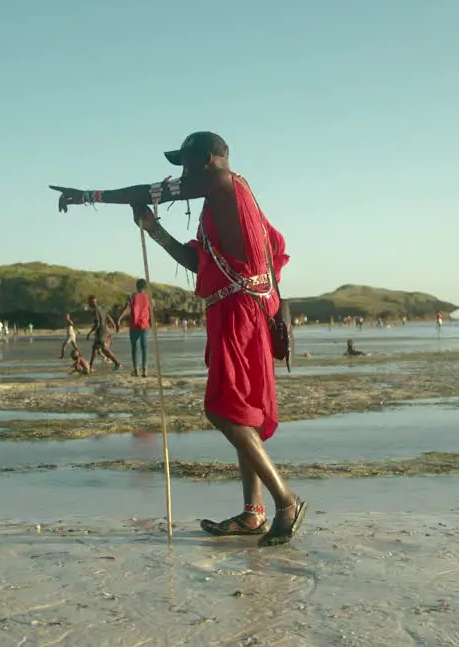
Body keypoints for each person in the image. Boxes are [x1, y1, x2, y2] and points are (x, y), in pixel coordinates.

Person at [51, 130, 306, 547]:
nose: (182, 173)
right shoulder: (225, 201)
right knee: (240, 411)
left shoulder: (222, 182)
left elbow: (149, 190)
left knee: (223, 411)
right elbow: (196, 261)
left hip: (240, 313)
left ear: (207, 159)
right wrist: (153, 229)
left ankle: (287, 501)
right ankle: (252, 513)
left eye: (185, 163)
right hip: (238, 311)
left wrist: (88, 196)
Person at [118, 279, 152, 377]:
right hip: (144, 325)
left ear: (137, 287)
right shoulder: (148, 297)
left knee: (134, 348)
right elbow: (152, 309)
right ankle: (144, 370)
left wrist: (120, 318)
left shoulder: (131, 296)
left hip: (134, 325)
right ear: (145, 287)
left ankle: (136, 370)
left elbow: (127, 309)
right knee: (144, 347)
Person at [85, 296, 122, 370]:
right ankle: (90, 366)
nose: (88, 303)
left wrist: (89, 333)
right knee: (95, 348)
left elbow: (98, 323)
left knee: (104, 348)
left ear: (91, 302)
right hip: (105, 330)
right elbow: (108, 317)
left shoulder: (95, 310)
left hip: (101, 331)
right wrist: (114, 325)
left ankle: (118, 364)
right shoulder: (102, 309)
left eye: (89, 302)